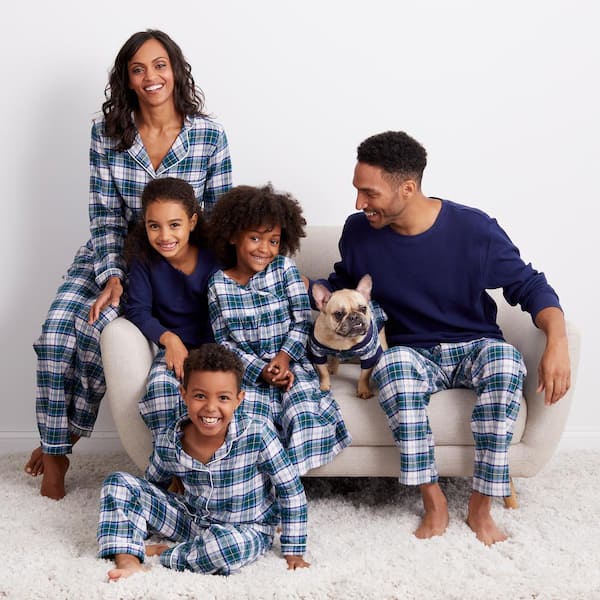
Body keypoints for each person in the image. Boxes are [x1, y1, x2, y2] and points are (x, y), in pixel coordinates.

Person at [321, 131, 571, 545]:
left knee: (507, 362)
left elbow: (529, 286)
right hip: (411, 352)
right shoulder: (358, 232)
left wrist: (557, 342)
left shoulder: (473, 229)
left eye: (369, 193)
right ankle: (433, 501)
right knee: (392, 366)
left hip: (475, 346)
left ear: (407, 188)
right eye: (357, 191)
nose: (359, 203)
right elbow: (344, 284)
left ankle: (480, 505)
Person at [25, 29, 232, 500]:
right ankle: (55, 453)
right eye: (138, 69)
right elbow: (103, 214)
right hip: (113, 252)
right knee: (57, 336)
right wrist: (112, 275)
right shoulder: (107, 134)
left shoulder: (208, 135)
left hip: (175, 262)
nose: (150, 77)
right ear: (127, 79)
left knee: (98, 334)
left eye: (159, 65)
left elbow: (217, 216)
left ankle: (66, 435)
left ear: (175, 70)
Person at [97, 344, 310, 579]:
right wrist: (140, 511)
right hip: (192, 519)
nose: (210, 407)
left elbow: (290, 490)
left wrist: (294, 551)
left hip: (246, 529)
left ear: (238, 400)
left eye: (223, 398)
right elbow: (153, 486)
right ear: (183, 394)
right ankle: (128, 560)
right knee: (118, 483)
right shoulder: (171, 439)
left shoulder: (258, 434)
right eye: (199, 396)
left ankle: (168, 553)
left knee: (225, 548)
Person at [207, 184, 352, 475]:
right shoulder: (217, 285)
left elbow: (302, 322)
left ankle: (289, 482)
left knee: (302, 414)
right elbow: (225, 343)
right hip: (248, 373)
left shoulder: (285, 269)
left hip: (292, 365)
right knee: (250, 425)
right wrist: (260, 369)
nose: (265, 249)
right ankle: (258, 483)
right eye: (255, 238)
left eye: (273, 241)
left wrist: (284, 358)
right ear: (233, 236)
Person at [124, 177, 219, 440]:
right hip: (174, 351)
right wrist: (169, 339)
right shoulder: (144, 260)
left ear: (192, 222)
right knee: (160, 391)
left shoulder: (216, 256)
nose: (164, 236)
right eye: (154, 226)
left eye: (174, 225)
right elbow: (137, 310)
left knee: (216, 394)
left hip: (218, 348)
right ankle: (173, 458)